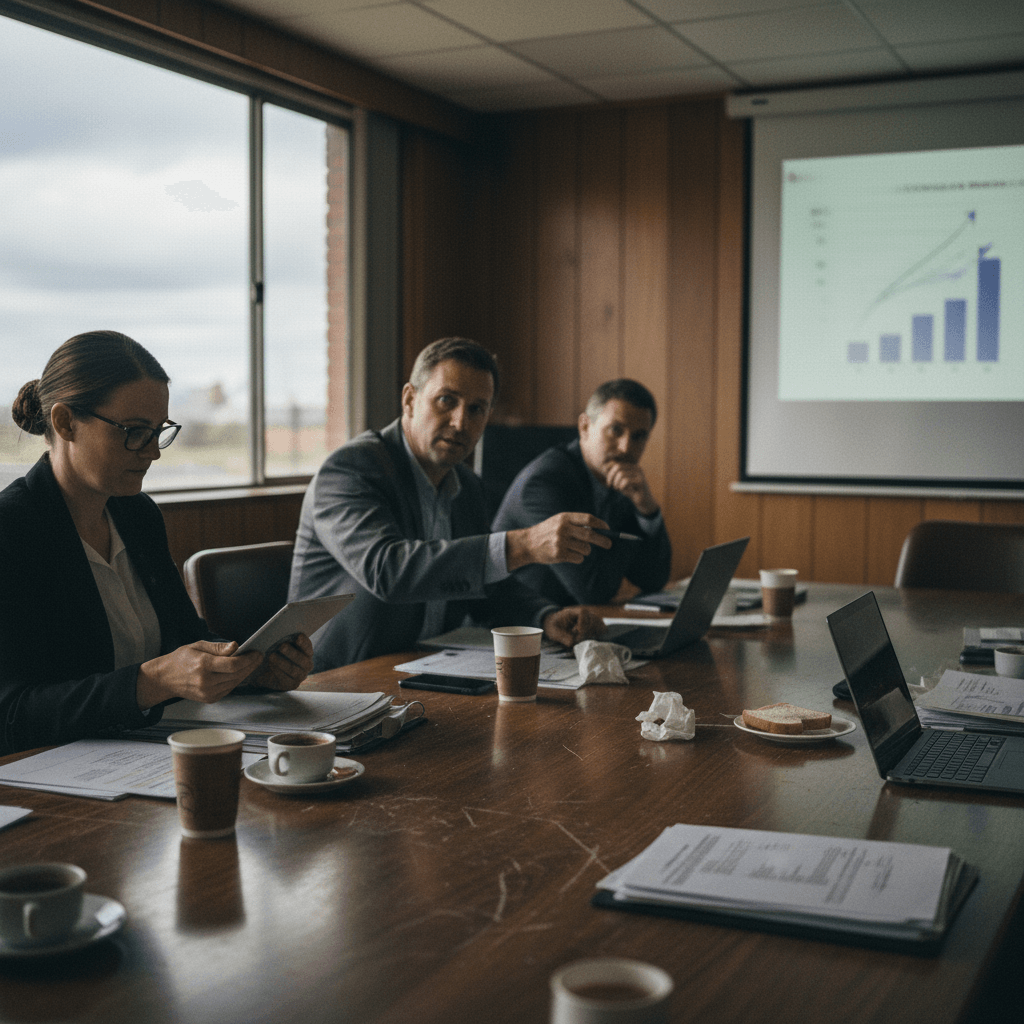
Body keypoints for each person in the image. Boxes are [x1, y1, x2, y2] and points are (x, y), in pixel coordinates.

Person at [0, 330, 313, 755]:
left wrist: (251, 673)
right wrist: (149, 683)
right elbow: (11, 715)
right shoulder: (12, 529)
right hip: (51, 778)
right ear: (64, 422)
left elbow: (184, 642)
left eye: (158, 430)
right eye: (132, 431)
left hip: (145, 755)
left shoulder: (136, 514)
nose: (153, 452)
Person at [288, 337, 610, 669]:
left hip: (428, 670)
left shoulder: (467, 485)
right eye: (446, 400)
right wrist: (524, 543)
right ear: (410, 400)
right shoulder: (351, 469)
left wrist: (545, 616)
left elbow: (484, 585)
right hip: (339, 682)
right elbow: (388, 570)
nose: (460, 422)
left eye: (476, 409)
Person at [491, 379, 672, 606]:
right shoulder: (544, 483)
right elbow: (593, 590)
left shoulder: (618, 481)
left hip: (573, 622)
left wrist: (647, 508)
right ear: (585, 427)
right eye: (615, 430)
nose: (626, 447)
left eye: (638, 436)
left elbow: (653, 579)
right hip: (518, 629)